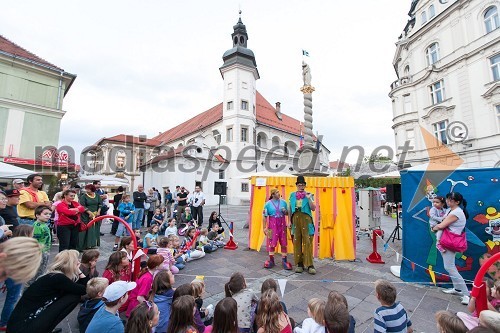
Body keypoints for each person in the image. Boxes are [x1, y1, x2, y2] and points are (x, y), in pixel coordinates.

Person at [7, 250, 89, 333]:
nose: (79, 262)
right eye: (76, 261)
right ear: (71, 264)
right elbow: (85, 289)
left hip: (20, 324)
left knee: (72, 294)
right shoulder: (58, 278)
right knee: (74, 297)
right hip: (24, 327)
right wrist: (79, 271)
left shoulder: (53, 275)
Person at [432, 192, 471, 305]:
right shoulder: (451, 211)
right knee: (450, 266)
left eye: (451, 200)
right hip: (447, 240)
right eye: (448, 199)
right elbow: (442, 220)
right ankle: (457, 289)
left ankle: (466, 294)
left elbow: (441, 225)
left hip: (450, 241)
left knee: (450, 267)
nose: (448, 201)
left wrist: (435, 227)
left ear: (457, 202)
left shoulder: (457, 212)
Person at [0, 228, 35, 330]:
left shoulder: (11, 244)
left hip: (12, 273)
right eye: (31, 234)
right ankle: (4, 323)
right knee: (12, 298)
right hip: (14, 274)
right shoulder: (22, 247)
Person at [288, 175, 316, 274]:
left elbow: (313, 208)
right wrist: (289, 221)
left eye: (303, 185)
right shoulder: (292, 195)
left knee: (308, 241)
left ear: (305, 185)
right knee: (296, 241)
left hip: (306, 219)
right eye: (299, 185)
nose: (301, 186)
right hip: (295, 219)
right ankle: (299, 263)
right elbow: (290, 209)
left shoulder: (310, 194)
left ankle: (309, 265)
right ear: (296, 185)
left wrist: (308, 198)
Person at [263, 188, 291, 270]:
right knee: (272, 243)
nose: (279, 194)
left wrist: (285, 212)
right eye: (277, 192)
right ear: (273, 194)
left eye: (279, 192)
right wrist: (264, 227)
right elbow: (264, 216)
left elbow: (288, 213)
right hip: (272, 225)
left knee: (284, 243)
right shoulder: (267, 204)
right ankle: (271, 260)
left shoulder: (284, 202)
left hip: (282, 224)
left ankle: (284, 260)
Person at [26, 205, 52, 286]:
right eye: (45, 214)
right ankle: (30, 288)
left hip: (45, 251)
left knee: (42, 271)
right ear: (37, 215)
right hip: (39, 252)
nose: (48, 216)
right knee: (37, 273)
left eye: (49, 214)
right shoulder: (37, 226)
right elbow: (35, 240)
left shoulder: (44, 224)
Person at [79, 184, 103, 251]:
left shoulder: (97, 195)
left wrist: (98, 211)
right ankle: (87, 244)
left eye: (88, 189)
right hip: (86, 215)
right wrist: (89, 213)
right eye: (86, 189)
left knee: (95, 229)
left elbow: (100, 204)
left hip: (96, 214)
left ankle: (93, 244)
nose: (87, 190)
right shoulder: (84, 196)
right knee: (88, 229)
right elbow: (82, 205)